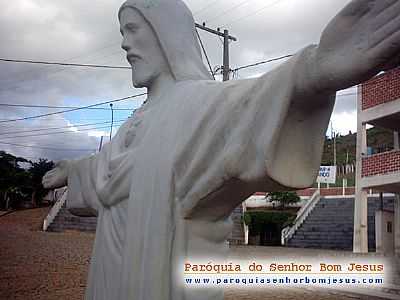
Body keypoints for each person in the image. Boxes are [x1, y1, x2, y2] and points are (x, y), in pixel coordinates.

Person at [42, 0, 400, 299]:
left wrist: (314, 70)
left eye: (132, 30)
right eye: (123, 33)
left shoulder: (195, 107)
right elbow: (106, 171)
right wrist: (73, 171)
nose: (125, 43)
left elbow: (251, 103)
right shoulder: (131, 127)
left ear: (165, 36)